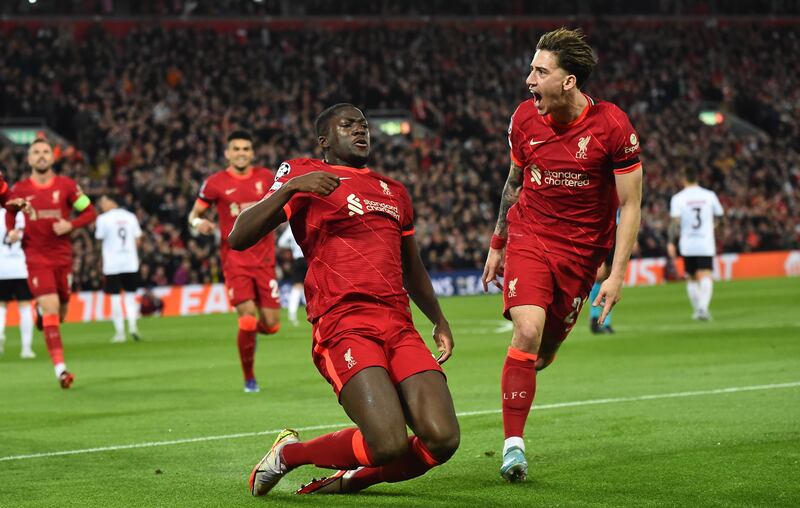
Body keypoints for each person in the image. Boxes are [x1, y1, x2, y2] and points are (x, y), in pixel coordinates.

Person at [229, 103, 459, 496]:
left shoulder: (395, 191)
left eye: (364, 125)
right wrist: (290, 189)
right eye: (348, 125)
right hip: (344, 322)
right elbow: (239, 236)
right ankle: (289, 455)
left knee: (442, 439)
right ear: (325, 140)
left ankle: (350, 480)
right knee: (387, 443)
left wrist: (438, 318)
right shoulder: (304, 173)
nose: (360, 130)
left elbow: (412, 266)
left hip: (399, 325)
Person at [481, 28, 643, 482]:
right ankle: (514, 447)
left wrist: (615, 274)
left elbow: (630, 204)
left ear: (568, 81)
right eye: (531, 68)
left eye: (540, 71)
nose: (529, 78)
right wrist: (498, 244)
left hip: (581, 254)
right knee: (527, 330)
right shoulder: (523, 119)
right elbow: (514, 184)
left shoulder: (613, 127)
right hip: (530, 235)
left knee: (544, 351)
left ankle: (527, 371)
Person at [187, 130, 280, 393]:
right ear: (227, 153)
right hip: (235, 260)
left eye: (246, 149)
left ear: (252, 153)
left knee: (272, 326)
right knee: (247, 320)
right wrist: (198, 223)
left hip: (265, 261)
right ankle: (249, 378)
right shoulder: (215, 182)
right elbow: (193, 214)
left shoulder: (266, 178)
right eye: (236, 149)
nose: (241, 153)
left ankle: (248, 337)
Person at [4, 138, 97, 388]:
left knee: (61, 313)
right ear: (29, 159)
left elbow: (89, 212)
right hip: (36, 256)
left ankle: (39, 313)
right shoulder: (21, 189)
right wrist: (11, 231)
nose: (41, 156)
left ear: (53, 158)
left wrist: (71, 224)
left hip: (63, 257)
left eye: (45, 151)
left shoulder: (67, 187)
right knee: (52, 309)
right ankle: (61, 370)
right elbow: (10, 211)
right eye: (36, 152)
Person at [667, 167, 724, 321]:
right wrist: (716, 228)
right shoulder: (709, 195)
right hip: (705, 242)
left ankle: (699, 310)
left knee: (692, 277)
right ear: (697, 178)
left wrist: (671, 242)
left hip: (688, 243)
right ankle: (703, 309)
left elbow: (675, 223)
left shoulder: (678, 198)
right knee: (706, 274)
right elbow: (720, 216)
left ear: (684, 179)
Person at [95, 193, 143, 342]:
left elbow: (99, 238)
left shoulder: (103, 219)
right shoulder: (130, 216)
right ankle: (133, 326)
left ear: (112, 202)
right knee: (130, 296)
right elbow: (138, 239)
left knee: (115, 297)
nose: (101, 205)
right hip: (130, 262)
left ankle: (120, 332)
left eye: (104, 202)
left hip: (112, 263)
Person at [0, 208, 35, 358]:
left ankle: (0, 335)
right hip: (21, 267)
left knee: (1, 306)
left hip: (1, 268)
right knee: (25, 306)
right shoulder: (21, 215)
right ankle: (26, 348)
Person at [276, 225, 306, 326]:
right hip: (309, 257)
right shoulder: (312, 219)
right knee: (313, 286)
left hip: (298, 258)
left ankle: (292, 314)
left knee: (297, 286)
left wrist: (292, 246)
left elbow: (282, 242)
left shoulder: (292, 225)